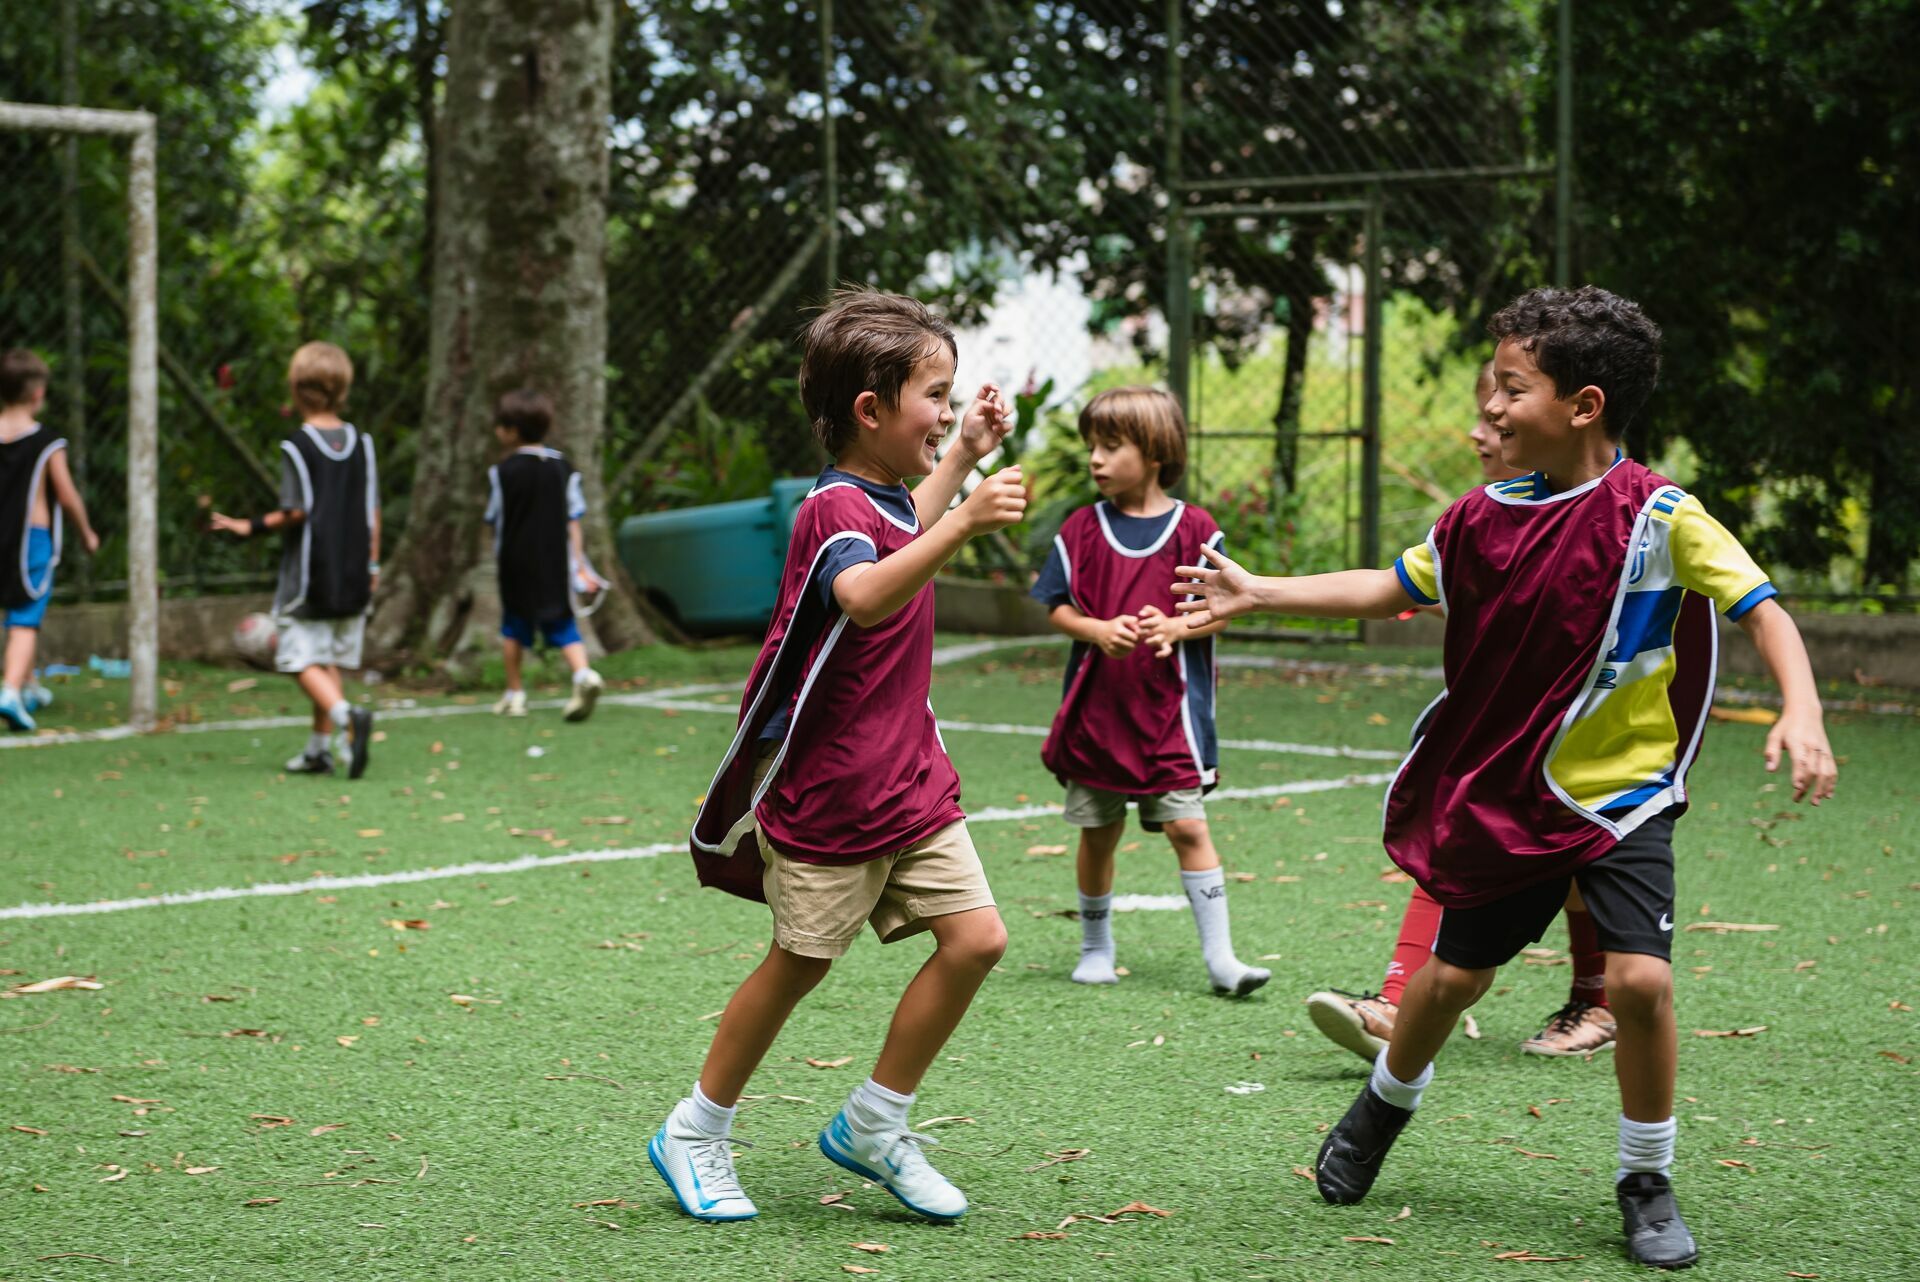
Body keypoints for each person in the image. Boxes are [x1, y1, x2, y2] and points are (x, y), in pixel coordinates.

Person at [1175, 286, 1837, 1270]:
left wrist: (1803, 706)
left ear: (1585, 404)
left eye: (1511, 389)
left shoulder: (1660, 517)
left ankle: (1644, 1176)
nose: (1489, 408)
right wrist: (1259, 588)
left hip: (1621, 796)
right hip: (1509, 796)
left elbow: (1762, 607)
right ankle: (1387, 1101)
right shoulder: (1477, 520)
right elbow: (1388, 587)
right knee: (1451, 977)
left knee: (1642, 982)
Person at [661, 288, 1025, 1224]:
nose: (946, 412)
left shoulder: (889, 499)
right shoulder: (829, 511)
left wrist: (966, 461)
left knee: (978, 938)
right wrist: (964, 521)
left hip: (911, 780)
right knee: (798, 961)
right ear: (871, 411)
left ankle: (875, 1120)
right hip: (830, 793)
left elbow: (908, 525)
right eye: (935, 398)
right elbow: (864, 593)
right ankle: (695, 1130)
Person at [1307, 360, 1616, 1060]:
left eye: (1502, 407)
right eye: (1484, 410)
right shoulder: (1490, 511)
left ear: (1575, 411)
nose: (1482, 432)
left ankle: (1596, 1002)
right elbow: (1405, 583)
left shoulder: (1627, 510)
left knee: (1577, 866)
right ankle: (1400, 999)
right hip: (1504, 731)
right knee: (1460, 833)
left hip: (1583, 740)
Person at [1029, 386, 1268, 996]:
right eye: (1091, 447)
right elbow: (1055, 607)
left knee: (1190, 829)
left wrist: (1176, 625)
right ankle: (1094, 946)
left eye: (1111, 446)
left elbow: (1223, 608)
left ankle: (1222, 962)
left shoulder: (1198, 530)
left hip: (1170, 721)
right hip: (1097, 719)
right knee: (1098, 833)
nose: (1095, 460)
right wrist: (1097, 630)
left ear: (1155, 452)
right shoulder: (1080, 530)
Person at [209, 341, 378, 778]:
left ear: (297, 391)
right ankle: (319, 750)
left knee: (297, 661)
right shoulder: (363, 443)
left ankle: (346, 719)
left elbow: (297, 510)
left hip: (310, 576)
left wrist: (251, 525)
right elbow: (372, 511)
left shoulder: (298, 446)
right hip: (354, 574)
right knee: (327, 663)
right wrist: (373, 566)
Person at [483, 389, 607, 721]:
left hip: (515, 563)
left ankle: (515, 694)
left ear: (510, 430)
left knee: (513, 626)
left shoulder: (502, 473)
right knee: (563, 622)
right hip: (556, 563)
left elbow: (495, 518)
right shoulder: (564, 468)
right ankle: (583, 675)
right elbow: (574, 518)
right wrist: (579, 564)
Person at [0, 349, 99, 732]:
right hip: (31, 541)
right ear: (37, 394)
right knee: (25, 617)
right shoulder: (47, 442)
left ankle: (28, 685)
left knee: (12, 609)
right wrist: (86, 532)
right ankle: (9, 690)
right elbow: (68, 495)